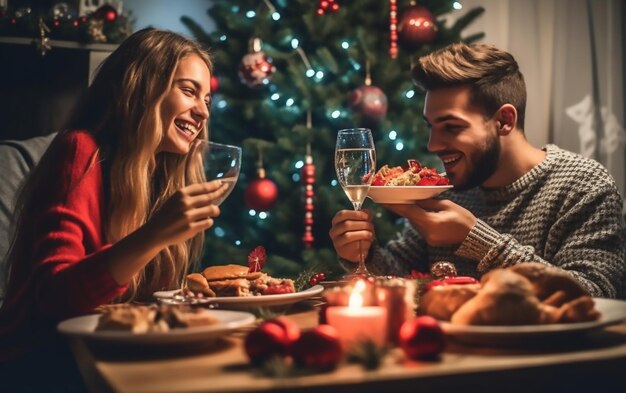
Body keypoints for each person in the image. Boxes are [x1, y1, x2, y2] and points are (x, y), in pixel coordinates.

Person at [0, 28, 227, 391]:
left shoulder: (161, 176)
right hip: (41, 365)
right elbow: (54, 298)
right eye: (188, 90)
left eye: (207, 100)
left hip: (113, 358)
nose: (201, 111)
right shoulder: (80, 151)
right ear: (143, 89)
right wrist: (152, 236)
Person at [329, 42, 625, 299]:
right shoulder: (449, 186)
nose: (432, 145)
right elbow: (400, 272)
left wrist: (477, 240)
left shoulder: (583, 186)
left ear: (504, 121)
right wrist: (362, 252)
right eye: (431, 127)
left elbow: (595, 295)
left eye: (452, 127)